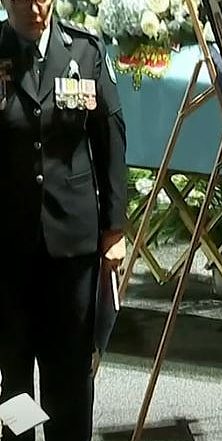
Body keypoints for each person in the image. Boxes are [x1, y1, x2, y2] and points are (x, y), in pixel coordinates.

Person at [0, 0, 126, 440]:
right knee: (13, 372)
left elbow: (110, 138)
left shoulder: (85, 53)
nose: (35, 9)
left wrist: (115, 229)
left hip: (72, 244)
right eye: (22, 0)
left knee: (70, 373)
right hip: (9, 246)